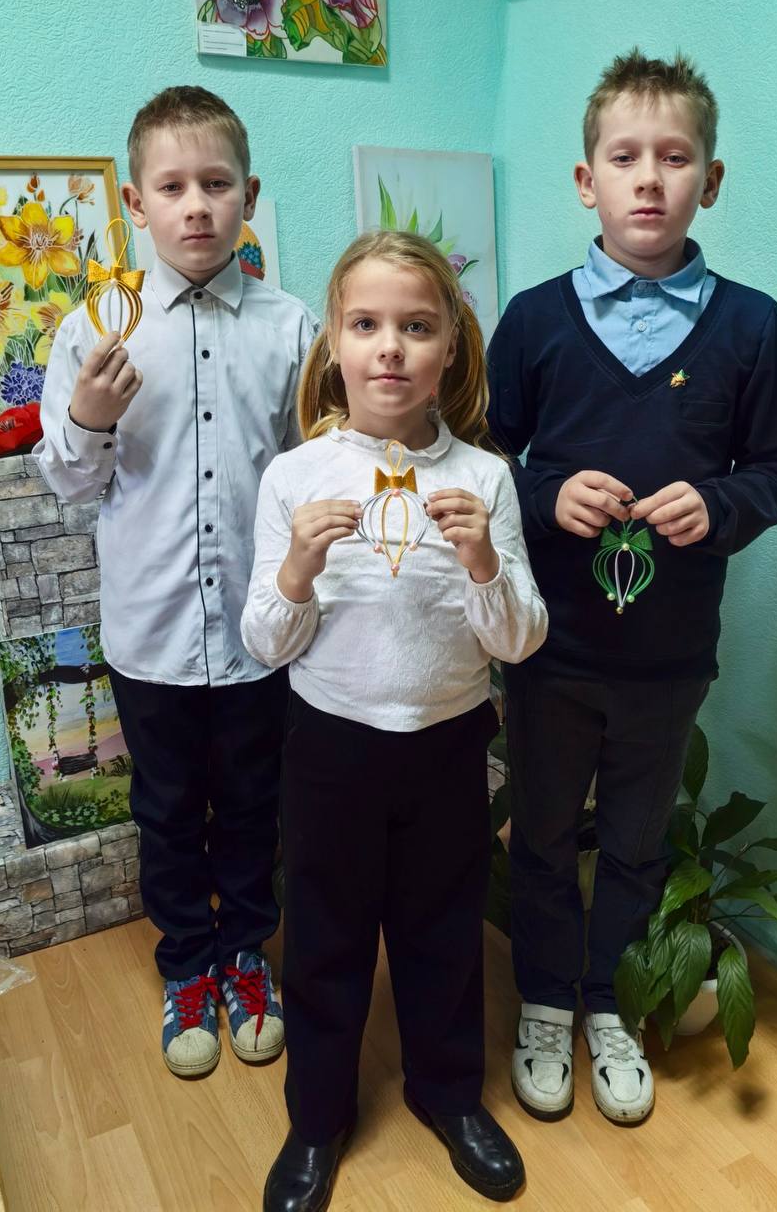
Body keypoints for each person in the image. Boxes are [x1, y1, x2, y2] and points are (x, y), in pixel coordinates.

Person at [486, 49, 777, 1126]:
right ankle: (545, 997)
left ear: (709, 182)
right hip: (549, 650)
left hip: (669, 658)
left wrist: (719, 505)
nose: (648, 178)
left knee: (634, 840)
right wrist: (545, 494)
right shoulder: (534, 321)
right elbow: (481, 460)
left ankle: (610, 1002)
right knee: (542, 834)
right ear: (587, 180)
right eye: (624, 157)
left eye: (674, 158)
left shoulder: (751, 326)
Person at [241, 230, 547, 1211]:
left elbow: (519, 641)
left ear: (450, 346)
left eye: (416, 327)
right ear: (334, 342)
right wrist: (297, 568)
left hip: (449, 743)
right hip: (330, 745)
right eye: (366, 324)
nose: (390, 347)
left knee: (443, 929)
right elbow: (265, 642)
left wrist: (484, 562)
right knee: (324, 936)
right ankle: (316, 1118)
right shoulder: (295, 477)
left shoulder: (486, 479)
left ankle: (448, 1093)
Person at [35, 85, 318, 1079]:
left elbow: (312, 470)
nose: (196, 205)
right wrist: (87, 414)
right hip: (150, 633)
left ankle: (246, 954)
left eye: (216, 183)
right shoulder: (95, 330)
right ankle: (187, 964)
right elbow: (69, 483)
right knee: (164, 809)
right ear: (134, 202)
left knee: (251, 802)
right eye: (171, 187)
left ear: (249, 195)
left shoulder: (292, 328)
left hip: (257, 630)